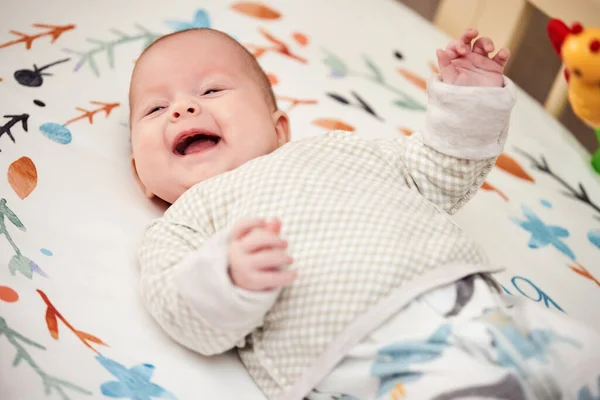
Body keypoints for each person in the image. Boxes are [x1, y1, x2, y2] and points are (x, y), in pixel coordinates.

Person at [129, 27, 600, 400]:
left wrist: (469, 101)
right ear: (141, 177)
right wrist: (228, 276)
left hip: (489, 308)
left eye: (211, 90)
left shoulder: (342, 150)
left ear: (279, 129)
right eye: (154, 109)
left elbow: (439, 171)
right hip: (378, 359)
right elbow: (181, 311)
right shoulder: (180, 226)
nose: (183, 108)